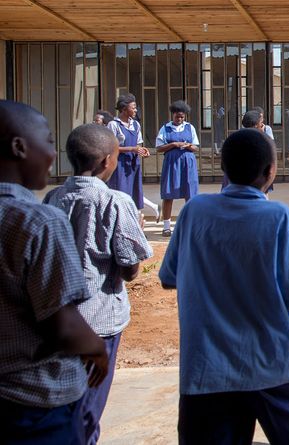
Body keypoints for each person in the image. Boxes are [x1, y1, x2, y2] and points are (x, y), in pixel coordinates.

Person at [159, 128, 289, 445]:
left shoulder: (194, 211)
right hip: (274, 365)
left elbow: (170, 276)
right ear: (270, 172)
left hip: (207, 371)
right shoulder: (280, 217)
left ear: (223, 169)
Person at [0, 100, 109, 444]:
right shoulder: (37, 221)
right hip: (36, 403)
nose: (53, 153)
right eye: (48, 141)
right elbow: (63, 324)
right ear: (19, 147)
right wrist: (96, 348)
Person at [43, 123, 152, 444]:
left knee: (63, 403)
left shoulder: (52, 197)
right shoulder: (116, 203)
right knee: (89, 408)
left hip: (59, 322)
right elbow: (131, 270)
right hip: (100, 323)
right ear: (107, 161)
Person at [155, 101, 199, 237]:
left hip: (188, 163)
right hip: (171, 164)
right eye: (177, 116)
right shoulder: (165, 128)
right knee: (169, 193)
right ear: (172, 115)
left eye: (182, 117)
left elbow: (196, 147)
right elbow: (158, 148)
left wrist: (188, 146)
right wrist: (173, 144)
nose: (179, 119)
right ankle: (167, 226)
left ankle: (189, 225)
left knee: (189, 193)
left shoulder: (189, 128)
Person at [106, 94, 152, 215]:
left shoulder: (136, 125)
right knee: (120, 195)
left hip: (133, 164)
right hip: (119, 165)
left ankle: (135, 227)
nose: (135, 110)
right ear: (124, 109)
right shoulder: (114, 125)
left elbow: (138, 144)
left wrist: (143, 151)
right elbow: (111, 147)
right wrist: (132, 149)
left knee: (134, 196)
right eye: (133, 107)